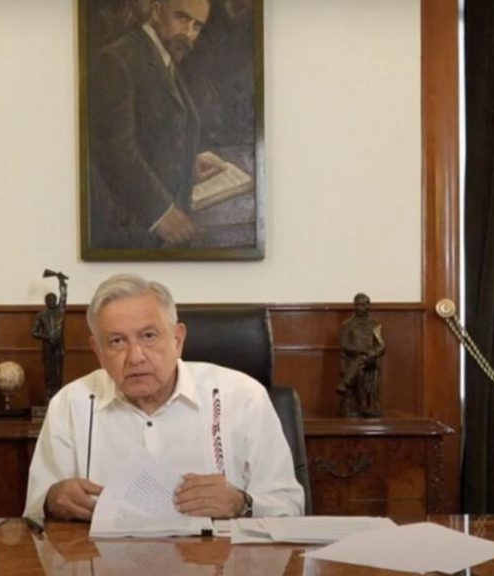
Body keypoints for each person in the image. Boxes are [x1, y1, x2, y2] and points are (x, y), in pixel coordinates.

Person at [23, 273, 303, 521]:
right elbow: (34, 512)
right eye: (117, 341)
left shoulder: (242, 397)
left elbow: (289, 506)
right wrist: (52, 501)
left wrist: (241, 503)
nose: (135, 357)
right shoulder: (69, 404)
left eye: (149, 336)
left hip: (215, 557)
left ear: (177, 339)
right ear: (98, 350)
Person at [88, 0, 226, 249]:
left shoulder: (164, 55)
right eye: (182, 18)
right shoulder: (117, 59)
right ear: (156, 9)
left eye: (197, 26)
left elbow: (155, 132)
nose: (188, 33)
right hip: (130, 231)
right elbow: (115, 152)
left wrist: (188, 162)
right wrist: (160, 213)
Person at [336, 293, 386, 417]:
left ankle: (345, 383)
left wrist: (374, 353)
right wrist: (361, 351)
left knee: (363, 360)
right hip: (351, 357)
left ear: (368, 306)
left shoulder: (375, 325)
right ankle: (363, 406)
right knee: (360, 368)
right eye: (357, 305)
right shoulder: (347, 325)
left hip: (371, 359)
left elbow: (381, 346)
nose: (359, 308)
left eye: (362, 305)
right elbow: (345, 345)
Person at [32, 276, 68, 402]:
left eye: (53, 299)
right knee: (49, 371)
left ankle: (58, 394)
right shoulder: (41, 315)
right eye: (49, 300)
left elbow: (64, 296)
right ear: (45, 302)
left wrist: (61, 283)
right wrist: (47, 336)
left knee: (58, 371)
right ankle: (49, 394)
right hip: (47, 345)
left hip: (59, 345)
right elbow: (34, 332)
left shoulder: (60, 311)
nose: (52, 301)